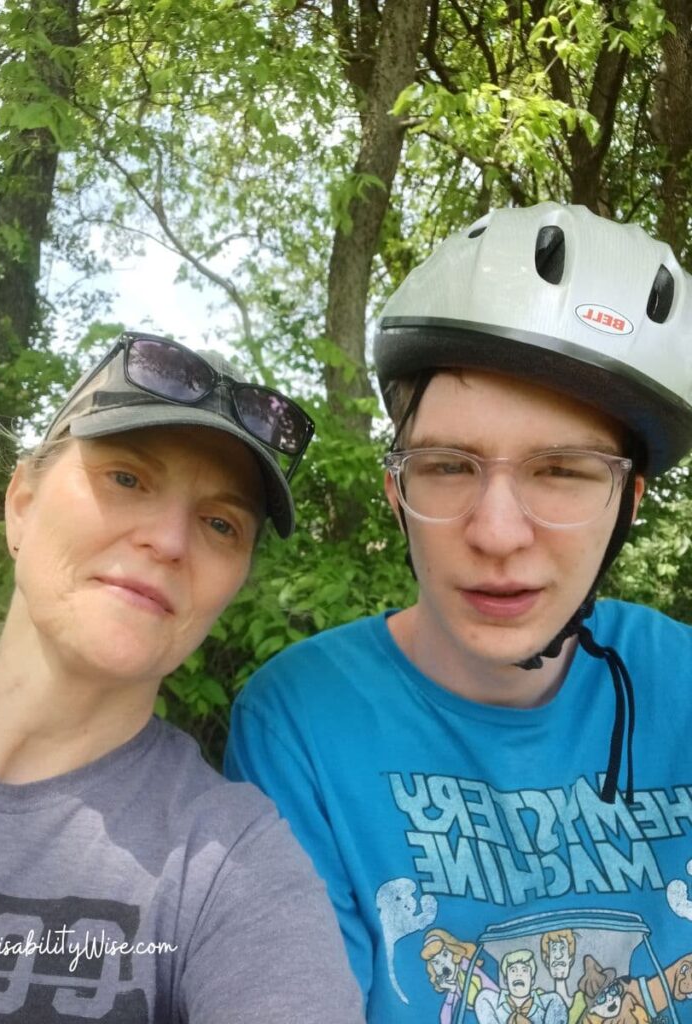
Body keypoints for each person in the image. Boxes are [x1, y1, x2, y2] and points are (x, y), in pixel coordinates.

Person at [224, 203, 692, 1021]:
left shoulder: (682, 683)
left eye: (564, 471)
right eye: (447, 466)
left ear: (629, 503)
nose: (497, 533)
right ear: (397, 495)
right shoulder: (300, 720)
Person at [0, 332, 365, 1022]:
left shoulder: (233, 868)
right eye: (127, 478)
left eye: (221, 524)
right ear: (21, 503)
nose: (169, 540)